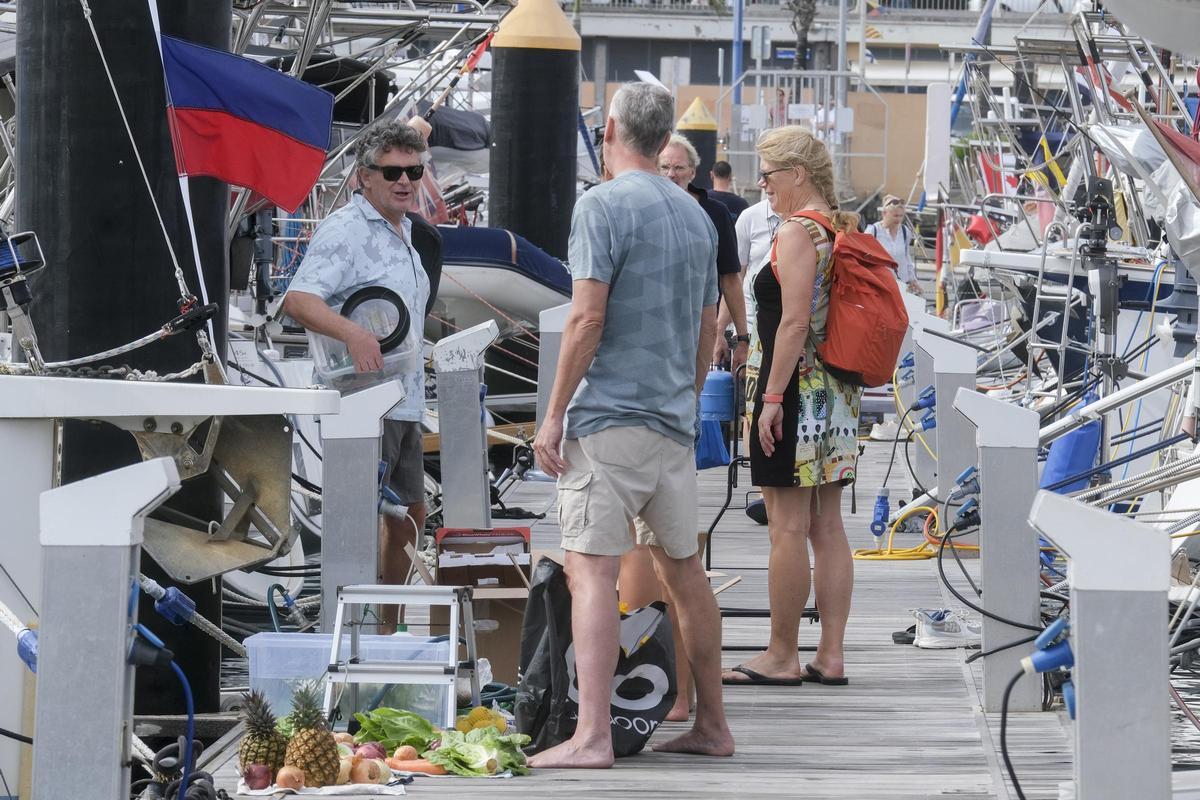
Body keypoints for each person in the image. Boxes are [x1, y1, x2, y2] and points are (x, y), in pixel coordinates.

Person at [530, 81, 734, 768]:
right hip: (673, 422)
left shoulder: (602, 206)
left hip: (611, 417)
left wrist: (552, 415)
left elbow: (586, 318)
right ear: (662, 136)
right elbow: (710, 325)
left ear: (610, 129)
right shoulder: (697, 216)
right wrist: (690, 393)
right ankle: (713, 726)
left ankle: (590, 736)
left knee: (591, 572)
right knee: (686, 575)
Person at [722, 125, 860, 687]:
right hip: (834, 393)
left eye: (770, 174)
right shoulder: (837, 226)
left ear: (797, 175)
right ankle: (830, 654)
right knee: (826, 527)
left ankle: (780, 654)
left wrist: (772, 397)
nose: (763, 185)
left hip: (793, 390)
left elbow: (794, 321)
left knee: (785, 526)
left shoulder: (798, 233)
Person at [282, 120, 434, 631]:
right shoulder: (345, 230)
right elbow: (299, 299)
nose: (406, 181)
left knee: (412, 512)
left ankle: (387, 628)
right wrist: (353, 334)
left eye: (414, 171)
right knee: (368, 515)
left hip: (405, 399)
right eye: (393, 172)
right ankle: (356, 630)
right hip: (363, 399)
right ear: (363, 177)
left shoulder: (404, 227)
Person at [657, 135, 750, 372]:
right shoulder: (643, 209)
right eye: (664, 167)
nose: (671, 174)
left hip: (700, 331)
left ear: (693, 172)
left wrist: (742, 338)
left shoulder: (715, 212)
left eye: (679, 167)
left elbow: (730, 278)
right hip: (653, 331)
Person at [866, 194, 922, 296]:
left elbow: (906, 257)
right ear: (884, 213)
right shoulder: (872, 231)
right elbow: (865, 260)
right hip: (880, 285)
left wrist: (913, 280)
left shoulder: (905, 232)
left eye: (901, 216)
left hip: (902, 285)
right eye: (895, 216)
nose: (899, 219)